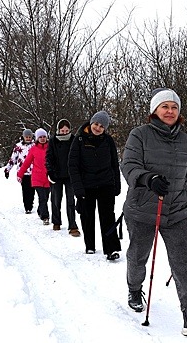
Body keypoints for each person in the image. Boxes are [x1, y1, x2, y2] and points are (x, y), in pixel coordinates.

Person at [120, 88, 187, 336]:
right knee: (138, 256)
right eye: (165, 106)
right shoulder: (139, 135)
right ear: (155, 110)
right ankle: (134, 288)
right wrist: (148, 179)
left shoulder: (186, 140)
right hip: (143, 209)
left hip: (177, 211)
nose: (170, 111)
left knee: (183, 262)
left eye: (174, 107)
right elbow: (129, 166)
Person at [68, 110, 121, 260]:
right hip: (86, 186)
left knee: (108, 217)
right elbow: (73, 166)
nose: (98, 128)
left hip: (106, 184)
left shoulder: (108, 141)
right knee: (87, 216)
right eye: (96, 124)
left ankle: (111, 249)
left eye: (102, 126)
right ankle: (90, 245)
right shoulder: (79, 140)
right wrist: (78, 189)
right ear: (91, 123)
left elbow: (114, 164)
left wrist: (116, 184)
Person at [45, 119, 81, 237]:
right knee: (56, 199)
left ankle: (72, 225)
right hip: (57, 175)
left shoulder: (74, 140)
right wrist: (50, 172)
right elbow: (49, 158)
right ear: (58, 130)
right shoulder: (53, 141)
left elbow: (78, 156)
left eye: (66, 130)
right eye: (62, 130)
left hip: (70, 175)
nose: (64, 132)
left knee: (71, 200)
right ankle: (56, 221)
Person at [17, 128, 51, 225]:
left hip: (48, 178)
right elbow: (26, 163)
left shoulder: (50, 148)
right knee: (42, 197)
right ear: (36, 138)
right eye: (40, 137)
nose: (43, 139)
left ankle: (41, 210)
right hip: (37, 178)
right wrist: (20, 174)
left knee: (46, 197)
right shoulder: (33, 149)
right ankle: (45, 217)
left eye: (44, 137)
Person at [4, 128, 35, 214]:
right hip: (23, 172)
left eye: (30, 137)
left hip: (34, 171)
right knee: (25, 189)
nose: (28, 138)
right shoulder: (18, 147)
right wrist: (7, 169)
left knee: (32, 190)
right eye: (26, 137)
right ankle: (27, 207)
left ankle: (30, 203)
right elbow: (13, 159)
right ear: (23, 137)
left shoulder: (34, 146)